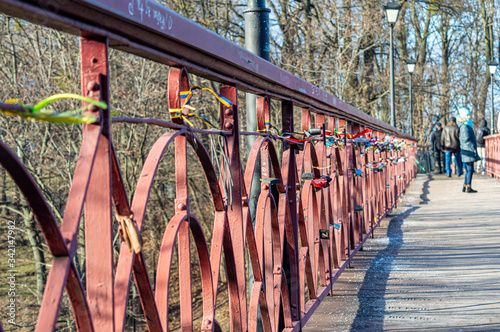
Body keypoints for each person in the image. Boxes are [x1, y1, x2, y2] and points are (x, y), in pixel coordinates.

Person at [457, 107, 480, 193]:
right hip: (468, 150)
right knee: (469, 169)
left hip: (466, 150)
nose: (470, 116)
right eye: (468, 115)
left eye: (469, 115)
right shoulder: (465, 126)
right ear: (464, 116)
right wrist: (473, 147)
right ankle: (468, 187)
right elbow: (466, 138)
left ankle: (465, 186)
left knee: (468, 169)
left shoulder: (465, 125)